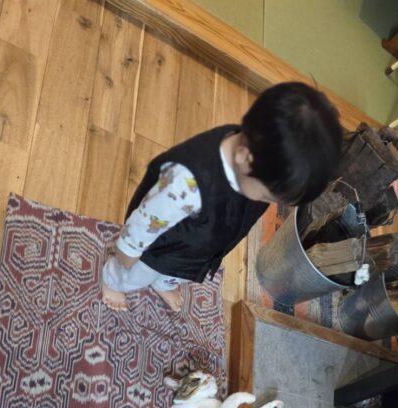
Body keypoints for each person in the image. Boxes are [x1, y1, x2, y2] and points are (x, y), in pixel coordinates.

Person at [101, 81, 343, 311]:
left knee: (178, 273)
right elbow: (147, 218)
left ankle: (163, 282)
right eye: (268, 198)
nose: (269, 204)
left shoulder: (255, 155)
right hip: (161, 248)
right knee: (137, 274)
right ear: (244, 157)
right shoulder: (186, 183)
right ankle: (113, 281)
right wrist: (128, 250)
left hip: (198, 245)